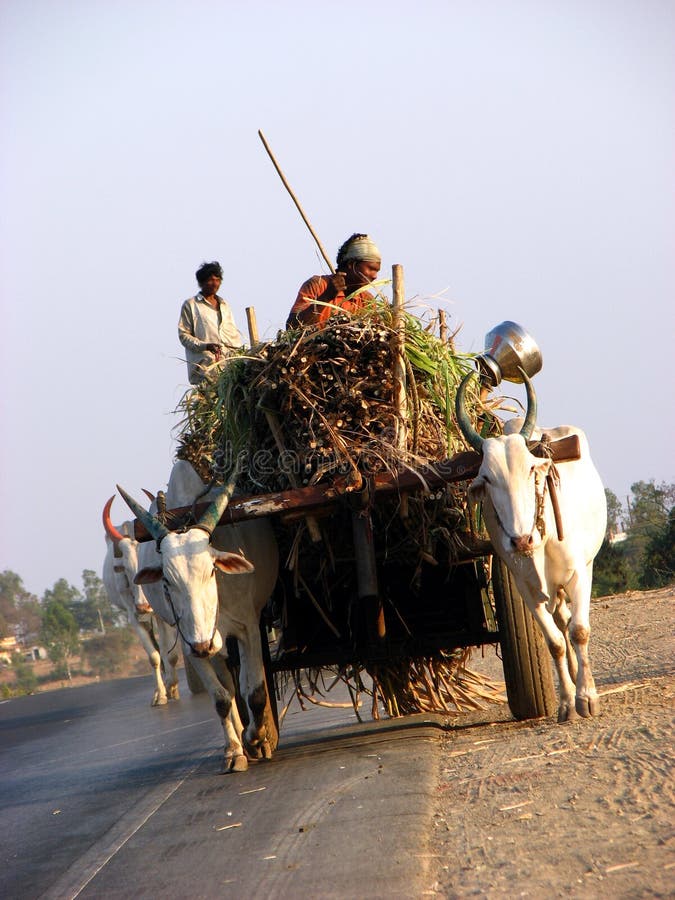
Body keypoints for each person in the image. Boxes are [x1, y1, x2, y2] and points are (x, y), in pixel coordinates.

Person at [286, 233, 381, 329]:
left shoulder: (367, 300)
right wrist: (327, 295)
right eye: (371, 268)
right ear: (351, 264)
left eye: (377, 271)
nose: (375, 276)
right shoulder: (318, 285)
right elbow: (292, 327)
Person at [178, 261, 244, 385]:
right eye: (211, 280)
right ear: (201, 282)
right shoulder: (191, 305)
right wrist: (205, 346)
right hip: (205, 369)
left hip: (229, 366)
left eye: (217, 280)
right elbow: (184, 336)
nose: (215, 284)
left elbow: (232, 334)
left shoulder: (224, 305)